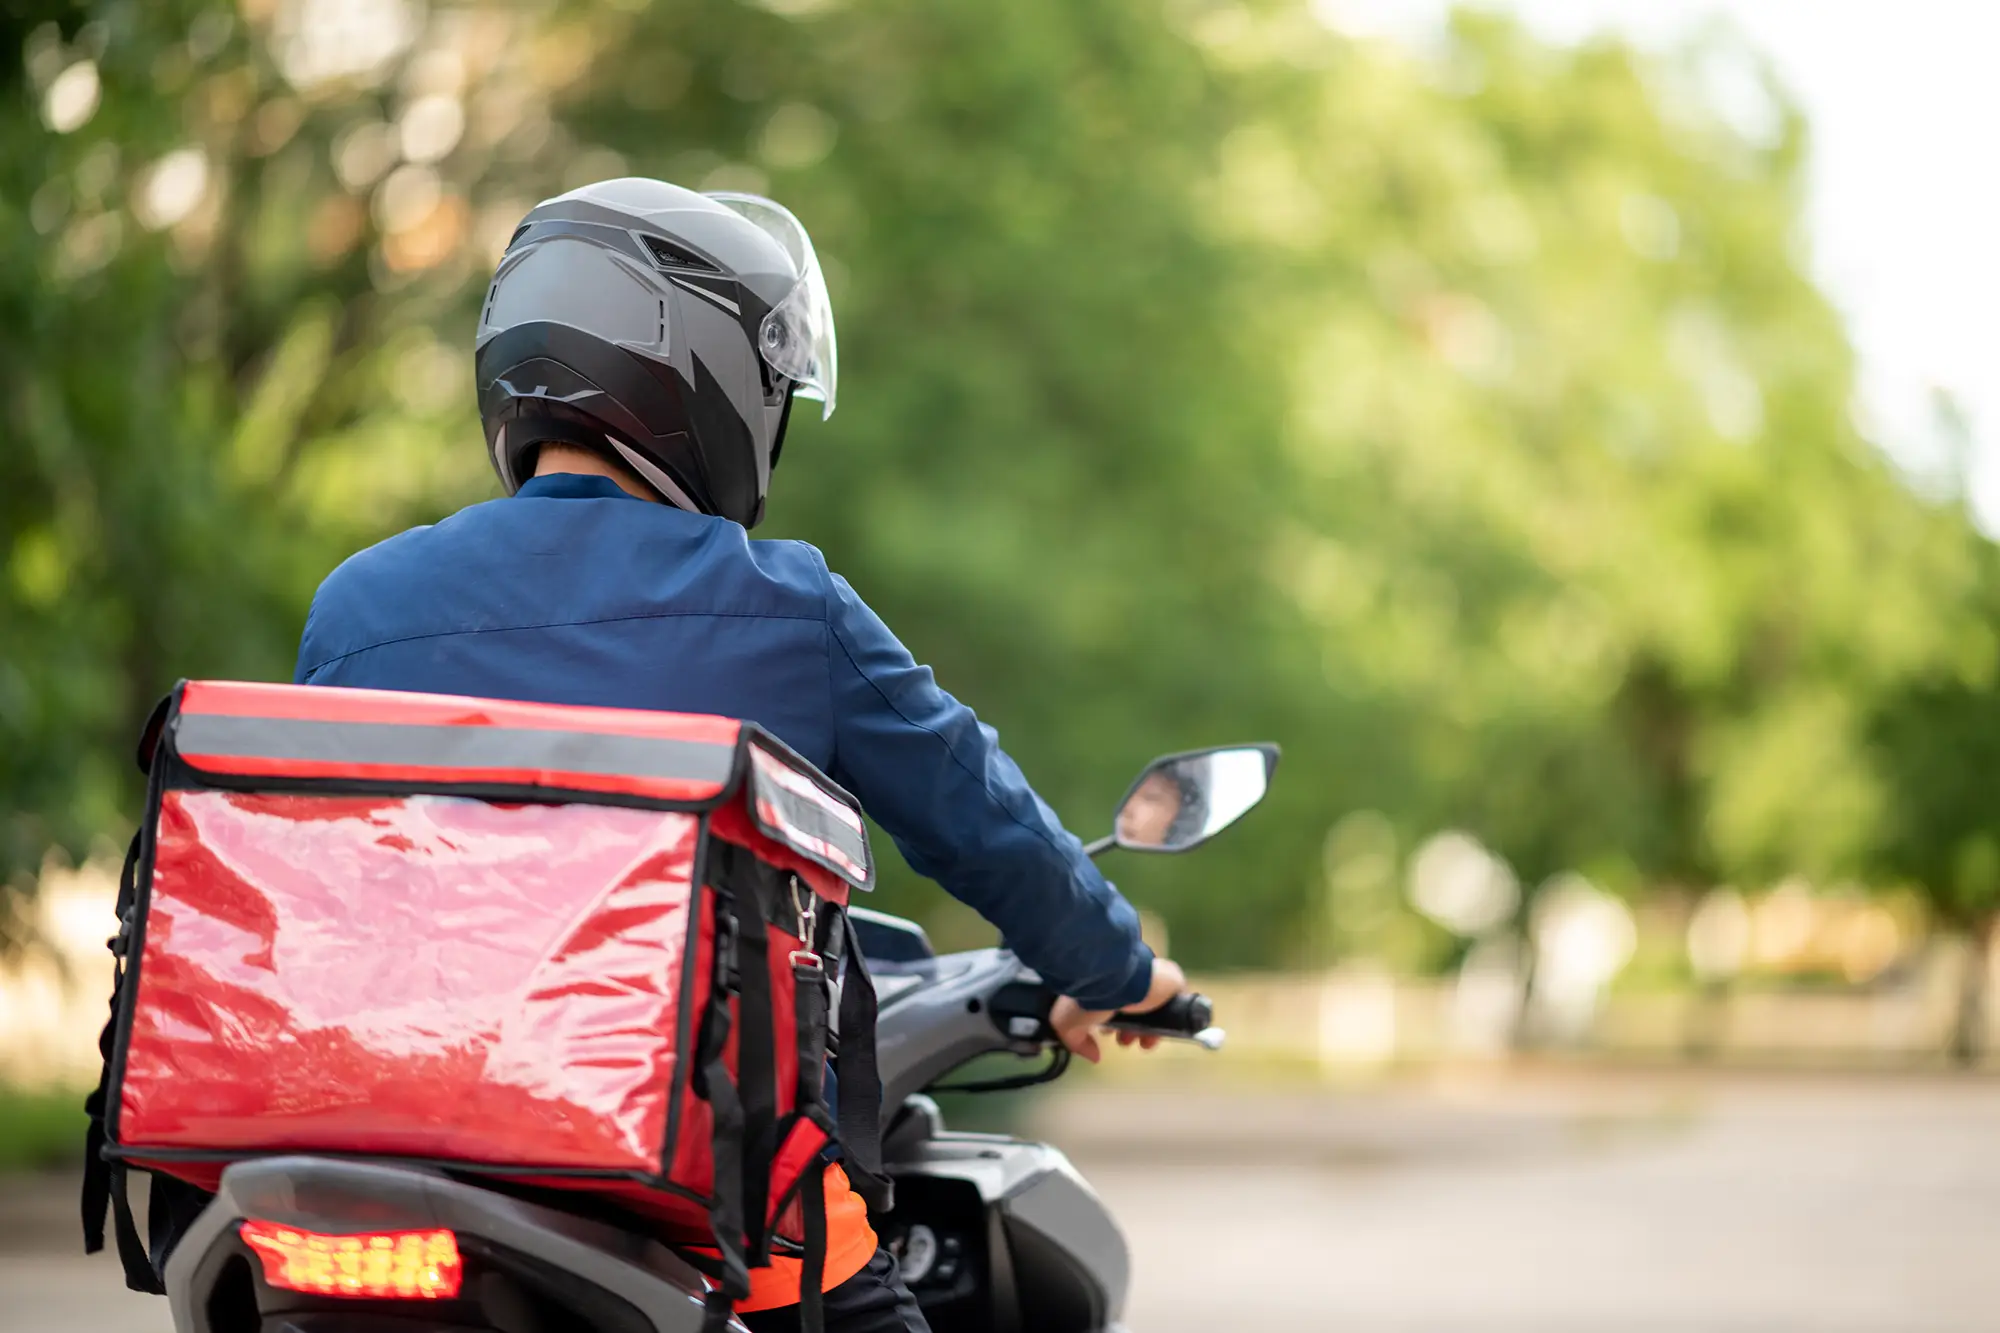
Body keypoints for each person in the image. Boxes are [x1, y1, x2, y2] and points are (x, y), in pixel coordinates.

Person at [289, 178, 1190, 1333]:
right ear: (698, 373)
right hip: (705, 1197)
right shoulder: (785, 606)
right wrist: (1120, 971)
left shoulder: (356, 610)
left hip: (405, 1165)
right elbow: (986, 824)